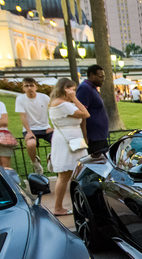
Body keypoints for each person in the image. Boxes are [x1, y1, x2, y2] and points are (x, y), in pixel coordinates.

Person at [48, 78, 90, 216]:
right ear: (62, 88)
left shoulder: (64, 104)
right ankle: (58, 207)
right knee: (65, 174)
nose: (72, 91)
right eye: (70, 88)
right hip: (67, 141)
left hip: (73, 139)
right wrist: (75, 99)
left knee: (75, 172)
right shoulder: (61, 104)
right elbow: (85, 113)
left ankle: (76, 202)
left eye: (74, 89)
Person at [15, 77, 52, 175]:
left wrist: (53, 127)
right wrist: (29, 132)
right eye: (26, 86)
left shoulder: (44, 97)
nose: (29, 88)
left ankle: (52, 158)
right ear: (23, 88)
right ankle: (35, 163)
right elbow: (22, 116)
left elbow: (53, 112)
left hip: (45, 128)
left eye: (32, 85)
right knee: (31, 144)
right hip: (30, 129)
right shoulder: (20, 99)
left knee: (60, 140)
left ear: (36, 87)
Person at [76, 64, 109, 155]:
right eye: (100, 76)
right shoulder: (84, 88)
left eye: (103, 76)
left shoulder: (92, 88)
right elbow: (82, 113)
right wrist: (85, 137)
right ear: (91, 75)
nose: (103, 79)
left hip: (100, 135)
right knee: (97, 163)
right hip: (93, 137)